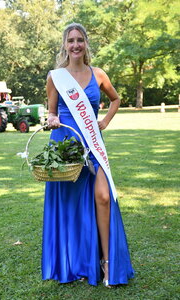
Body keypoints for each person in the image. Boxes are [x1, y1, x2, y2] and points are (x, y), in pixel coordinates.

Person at [42, 22, 134, 287]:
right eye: (70, 40)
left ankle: (107, 262)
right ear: (64, 45)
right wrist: (51, 118)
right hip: (65, 148)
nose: (75, 45)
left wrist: (104, 121)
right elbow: (52, 110)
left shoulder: (99, 74)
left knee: (103, 197)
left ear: (86, 43)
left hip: (93, 145)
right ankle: (77, 263)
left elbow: (116, 99)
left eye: (79, 39)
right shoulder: (56, 77)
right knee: (70, 207)